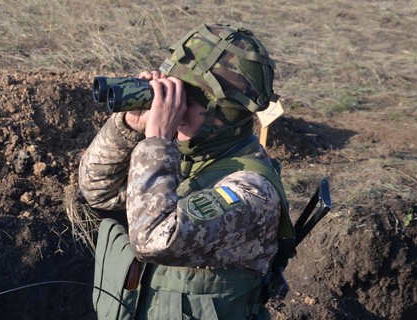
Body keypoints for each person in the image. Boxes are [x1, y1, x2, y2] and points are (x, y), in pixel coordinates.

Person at [79, 22, 294, 320]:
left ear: (224, 114)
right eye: (170, 95)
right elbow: (97, 190)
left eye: (186, 101)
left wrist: (156, 142)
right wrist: (129, 126)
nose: (172, 109)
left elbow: (155, 240)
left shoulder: (252, 191)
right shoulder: (182, 160)